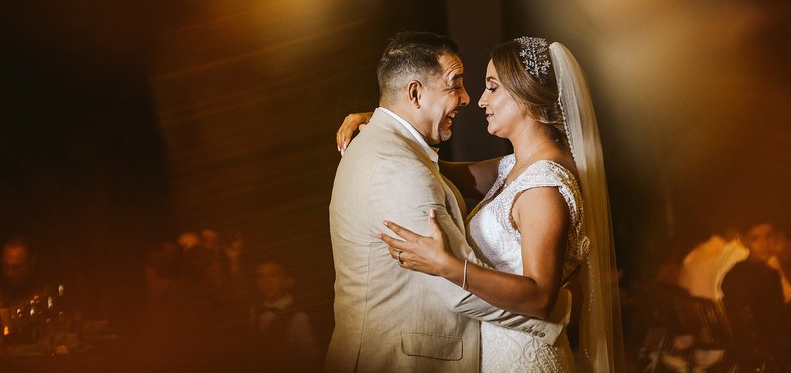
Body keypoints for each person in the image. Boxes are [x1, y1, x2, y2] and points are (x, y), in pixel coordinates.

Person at [338, 36, 622, 372]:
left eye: (492, 87)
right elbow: (429, 168)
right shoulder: (515, 167)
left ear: (526, 96)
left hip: (523, 358)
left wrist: (450, 267)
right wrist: (387, 122)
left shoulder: (544, 185)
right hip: (498, 349)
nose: (478, 100)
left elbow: (541, 297)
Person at [720, 219, 791, 373]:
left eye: (769, 237)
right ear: (743, 241)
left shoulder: (732, 275)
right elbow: (774, 326)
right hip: (769, 360)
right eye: (755, 238)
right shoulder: (767, 277)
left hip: (747, 357)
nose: (764, 244)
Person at [249, 258, 319, 369]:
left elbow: (311, 359)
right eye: (260, 276)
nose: (266, 282)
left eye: (273, 275)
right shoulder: (254, 310)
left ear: (287, 280)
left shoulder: (298, 317)